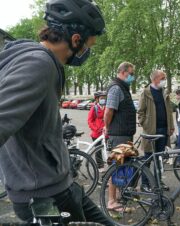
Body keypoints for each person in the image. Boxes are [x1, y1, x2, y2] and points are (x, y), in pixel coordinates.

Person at [0, 0, 112, 224]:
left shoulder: (32, 59)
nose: (87, 52)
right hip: (45, 198)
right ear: (75, 39)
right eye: (88, 46)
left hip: (61, 186)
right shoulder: (38, 64)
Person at [103, 61, 137, 211]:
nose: (132, 77)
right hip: (119, 135)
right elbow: (109, 111)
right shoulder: (116, 88)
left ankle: (116, 197)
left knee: (122, 167)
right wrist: (107, 127)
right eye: (131, 74)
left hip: (124, 133)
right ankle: (111, 201)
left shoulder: (122, 87)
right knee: (116, 167)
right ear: (123, 72)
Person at [138, 70, 174, 192]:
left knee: (159, 158)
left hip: (164, 129)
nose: (165, 80)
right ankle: (145, 184)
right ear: (155, 79)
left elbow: (169, 111)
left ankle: (158, 182)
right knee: (148, 158)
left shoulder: (164, 92)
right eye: (163, 78)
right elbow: (141, 112)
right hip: (151, 131)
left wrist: (171, 126)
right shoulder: (146, 92)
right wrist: (146, 125)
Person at [87, 91, 107, 172]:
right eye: (101, 98)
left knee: (106, 149)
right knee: (98, 150)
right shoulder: (94, 108)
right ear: (97, 99)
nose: (103, 100)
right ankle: (100, 166)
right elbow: (89, 121)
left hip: (106, 133)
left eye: (104, 98)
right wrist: (96, 128)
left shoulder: (107, 107)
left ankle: (106, 162)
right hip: (96, 133)